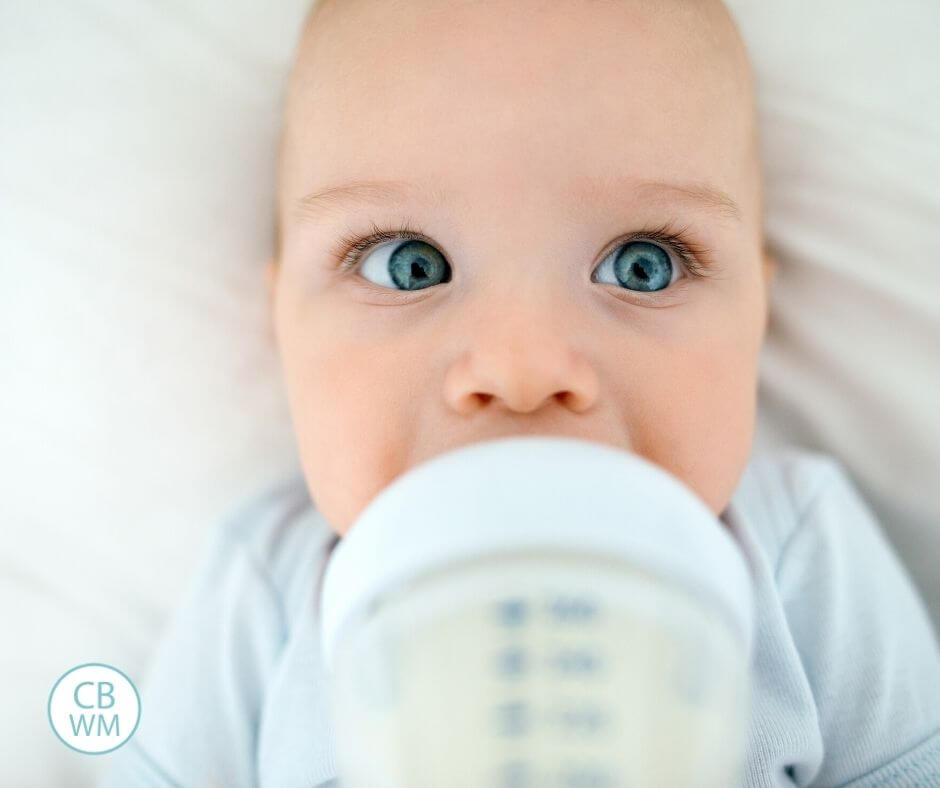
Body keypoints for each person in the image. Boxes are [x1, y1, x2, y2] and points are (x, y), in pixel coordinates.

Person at [101, 0, 940, 785]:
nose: (524, 367)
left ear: (756, 316)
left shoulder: (798, 555)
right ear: (282, 320)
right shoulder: (262, 593)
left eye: (644, 265)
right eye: (409, 264)